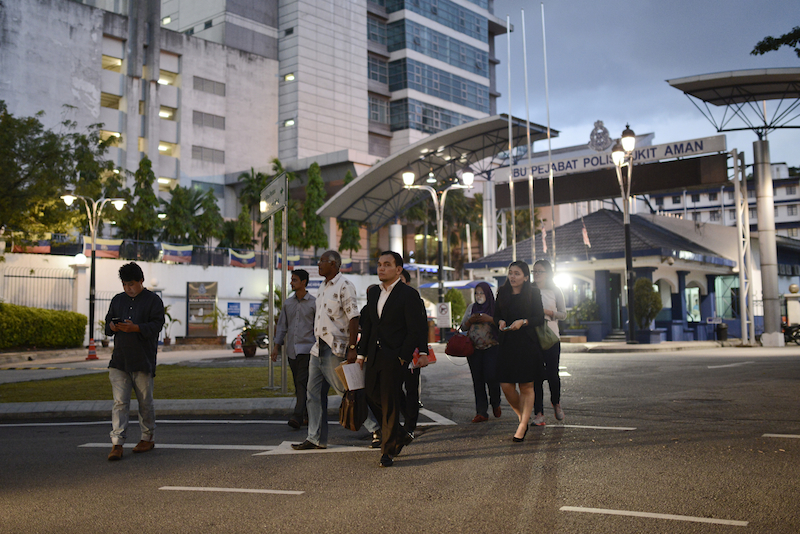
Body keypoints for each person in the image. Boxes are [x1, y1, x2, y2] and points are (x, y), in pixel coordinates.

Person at [292, 251, 380, 450]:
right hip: (318, 348)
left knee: (346, 392)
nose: (319, 264)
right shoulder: (322, 287)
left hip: (336, 348)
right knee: (312, 394)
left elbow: (353, 318)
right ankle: (315, 438)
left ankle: (376, 429)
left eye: (322, 261)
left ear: (334, 264)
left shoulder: (345, 286)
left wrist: (352, 347)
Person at [359, 251, 428, 467]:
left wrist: (403, 356)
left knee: (389, 402)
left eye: (387, 265)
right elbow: (369, 326)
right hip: (374, 355)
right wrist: (361, 354)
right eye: (379, 264)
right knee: (370, 395)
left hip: (394, 356)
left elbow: (414, 329)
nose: (381, 268)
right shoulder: (373, 294)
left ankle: (387, 451)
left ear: (398, 269)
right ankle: (401, 434)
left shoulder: (408, 295)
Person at [104, 262, 165, 461]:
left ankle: (147, 437)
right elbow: (107, 324)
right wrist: (112, 326)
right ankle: (117, 443)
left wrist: (136, 328)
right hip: (119, 359)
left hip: (143, 360)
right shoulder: (118, 300)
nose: (128, 288)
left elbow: (157, 325)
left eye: (131, 284)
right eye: (125, 284)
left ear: (141, 281)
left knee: (145, 401)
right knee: (120, 402)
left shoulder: (153, 300)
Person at [494, 261, 545, 442]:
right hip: (507, 343)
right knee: (506, 386)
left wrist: (523, 322)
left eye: (517, 273)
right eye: (510, 273)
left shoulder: (533, 293)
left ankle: (523, 425)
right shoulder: (502, 292)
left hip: (527, 343)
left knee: (526, 386)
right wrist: (499, 321)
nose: (512, 277)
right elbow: (496, 314)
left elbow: (539, 318)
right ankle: (522, 415)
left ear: (525, 277)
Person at [271, 269, 316, 429]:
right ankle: (306, 415)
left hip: (308, 349)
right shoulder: (288, 303)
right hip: (292, 351)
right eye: (291, 280)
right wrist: (276, 346)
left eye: (295, 280)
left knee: (302, 381)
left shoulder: (313, 303)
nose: (291, 283)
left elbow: (317, 328)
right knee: (298, 384)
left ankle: (297, 416)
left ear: (303, 282)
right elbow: (282, 326)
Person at [459, 281, 501, 423]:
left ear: (487, 293)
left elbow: (502, 324)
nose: (478, 296)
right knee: (478, 380)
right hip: (474, 350)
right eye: (476, 293)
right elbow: (463, 327)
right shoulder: (472, 308)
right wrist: (470, 320)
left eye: (481, 292)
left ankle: (495, 402)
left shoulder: (494, 307)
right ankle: (481, 412)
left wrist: (489, 319)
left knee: (491, 376)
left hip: (492, 348)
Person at [532, 259, 567, 426]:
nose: (536, 274)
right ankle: (538, 414)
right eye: (534, 271)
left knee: (553, 374)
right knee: (536, 376)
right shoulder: (529, 291)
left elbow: (564, 314)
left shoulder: (555, 290)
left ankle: (556, 403)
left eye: (540, 271)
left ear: (547, 273)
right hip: (533, 338)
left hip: (552, 337)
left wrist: (548, 312)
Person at [398, 268, 429, 438]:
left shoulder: (413, 298)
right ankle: (406, 415)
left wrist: (423, 351)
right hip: (393, 353)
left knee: (411, 388)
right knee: (394, 388)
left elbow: (421, 327)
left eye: (401, 279)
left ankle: (410, 424)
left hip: (412, 352)